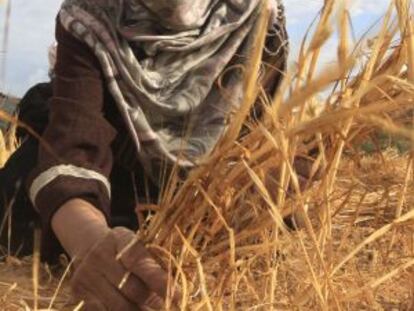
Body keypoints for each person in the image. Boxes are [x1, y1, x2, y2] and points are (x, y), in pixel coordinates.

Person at [0, 0, 290, 309]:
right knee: (16, 200)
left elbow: (247, 150)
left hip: (195, 199)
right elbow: (74, 148)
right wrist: (92, 244)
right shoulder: (90, 13)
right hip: (109, 180)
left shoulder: (260, 17)